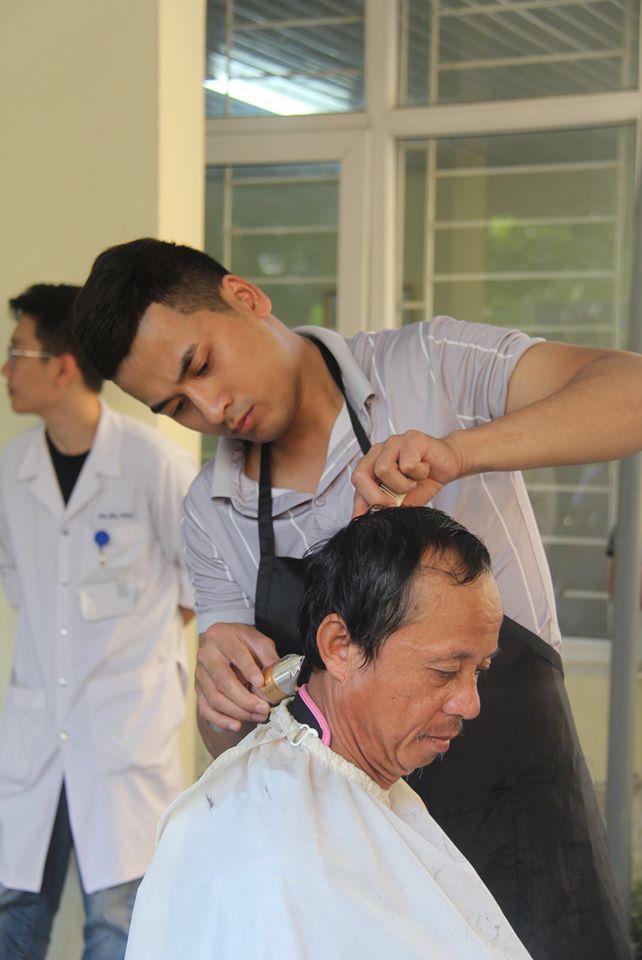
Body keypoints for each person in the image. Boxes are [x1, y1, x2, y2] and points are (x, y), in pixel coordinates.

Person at [73, 239, 640, 960]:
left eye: (202, 365)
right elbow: (245, 742)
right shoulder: (212, 512)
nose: (212, 408)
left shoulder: (431, 366)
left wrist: (462, 451)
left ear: (245, 297)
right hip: (356, 867)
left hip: (517, 804)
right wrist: (223, 692)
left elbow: (630, 390)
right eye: (177, 406)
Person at [125, 507, 532, 960]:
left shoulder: (375, 792)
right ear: (339, 648)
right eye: (445, 671)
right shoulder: (265, 852)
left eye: (480, 670)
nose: (470, 705)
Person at [0, 284, 197, 959]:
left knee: (118, 922)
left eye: (17, 352)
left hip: (123, 734)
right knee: (14, 909)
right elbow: (18, 580)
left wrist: (137, 651)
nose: (6, 369)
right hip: (37, 730)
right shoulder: (11, 470)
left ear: (62, 365)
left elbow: (203, 581)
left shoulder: (154, 464)